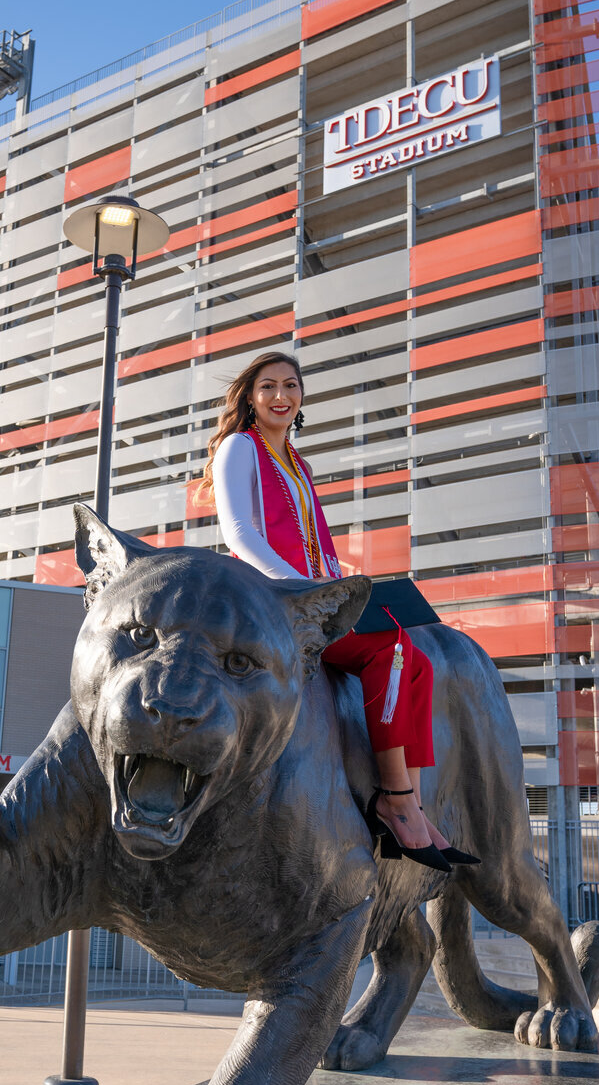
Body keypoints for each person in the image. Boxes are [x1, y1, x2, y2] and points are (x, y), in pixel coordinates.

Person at [201, 350, 478, 873]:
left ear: (302, 397)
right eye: (268, 387)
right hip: (277, 603)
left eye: (291, 386)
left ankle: (413, 808)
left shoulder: (298, 464)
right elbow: (239, 534)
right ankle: (394, 798)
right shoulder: (240, 448)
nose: (281, 396)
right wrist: (303, 589)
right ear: (251, 398)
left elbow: (319, 549)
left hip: (317, 599)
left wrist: (344, 584)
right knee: (392, 653)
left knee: (415, 656)